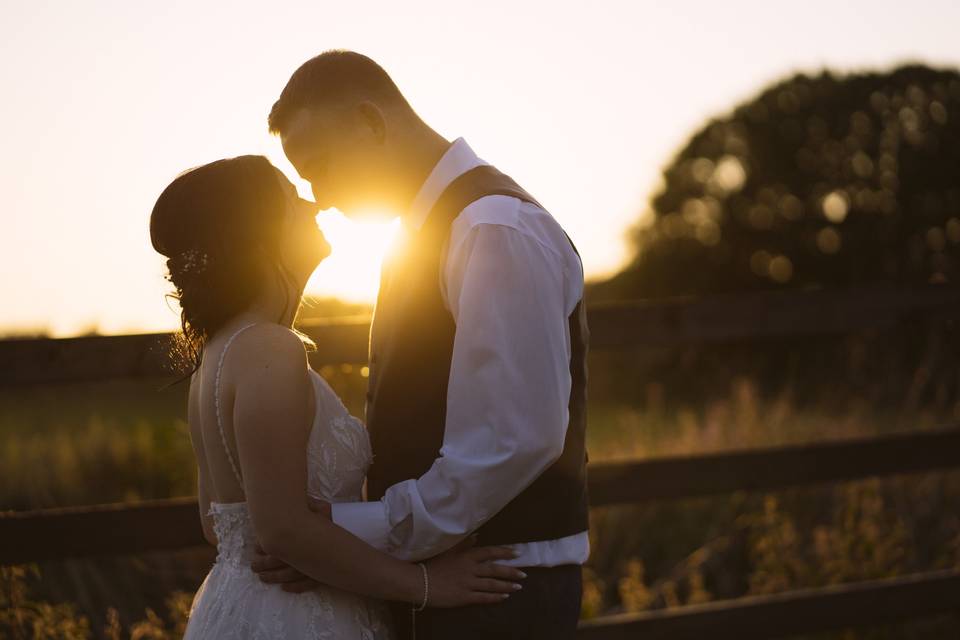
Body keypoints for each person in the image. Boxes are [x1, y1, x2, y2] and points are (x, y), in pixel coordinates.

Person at [254, 50, 590, 640]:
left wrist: (356, 530)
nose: (322, 196)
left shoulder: (492, 227)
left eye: (322, 166)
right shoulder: (422, 234)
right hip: (450, 581)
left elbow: (514, 437)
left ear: (371, 122)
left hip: (502, 590)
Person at [149, 154, 525, 639]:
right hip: (298, 618)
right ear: (259, 235)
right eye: (291, 197)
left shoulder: (218, 355)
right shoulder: (270, 348)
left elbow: (218, 523)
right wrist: (428, 584)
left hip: (248, 605)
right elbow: (281, 530)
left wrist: (314, 542)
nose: (313, 205)